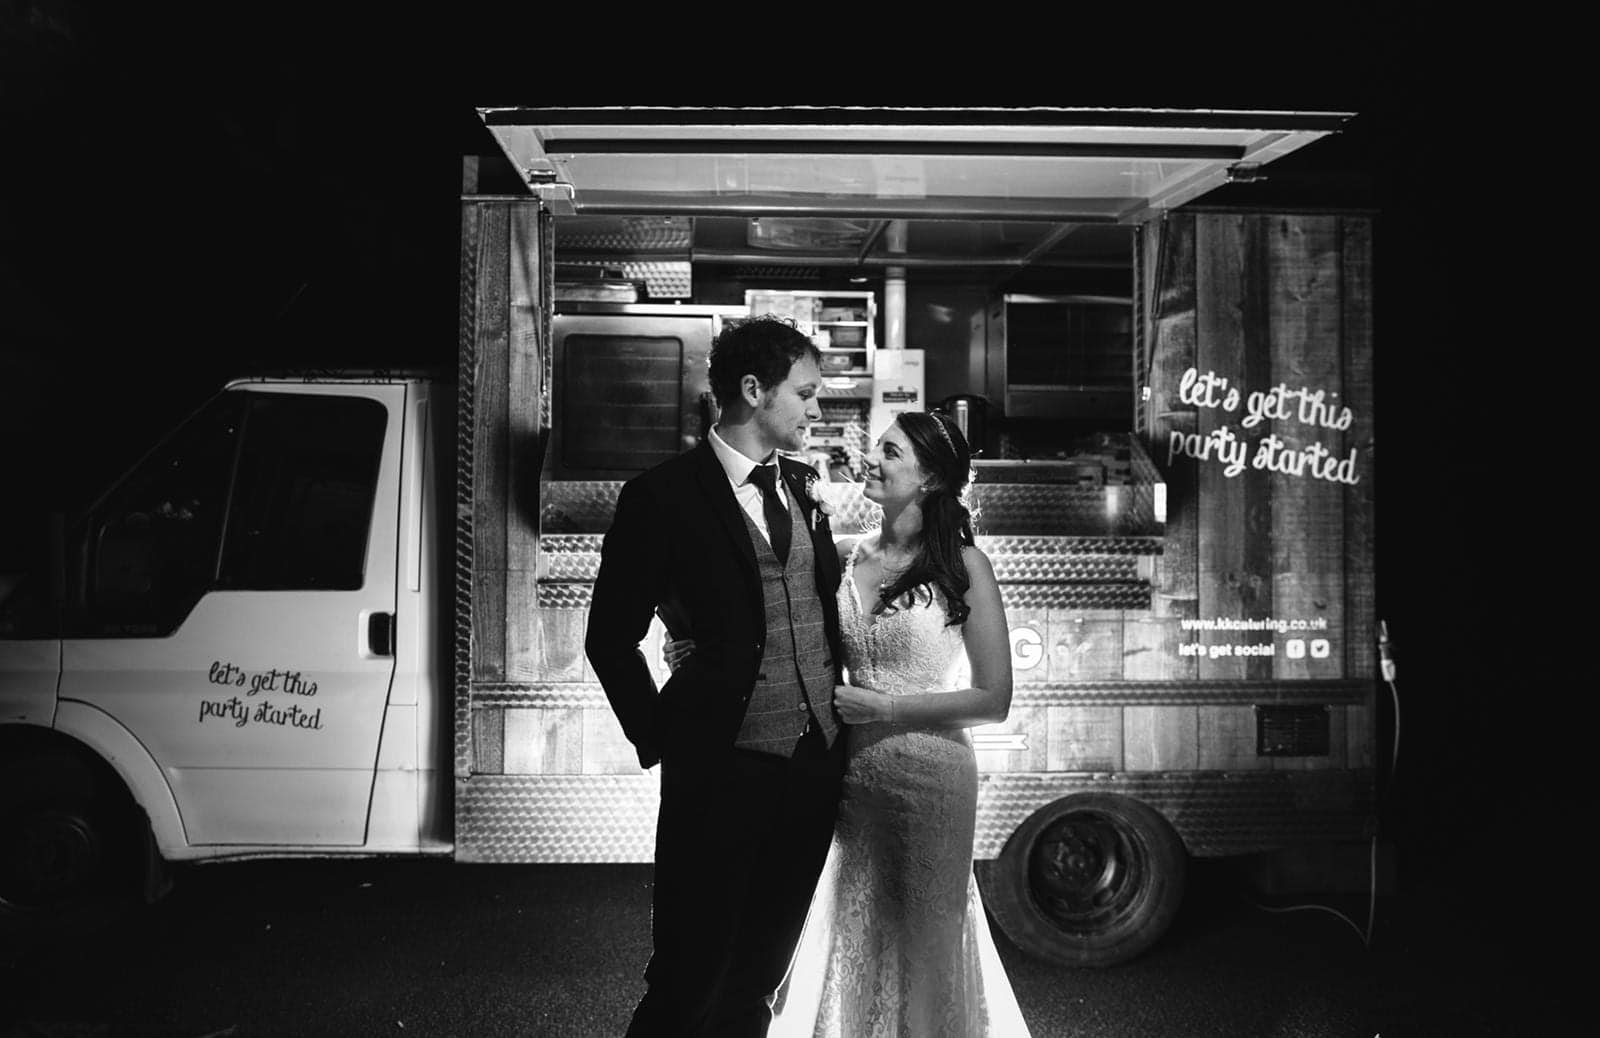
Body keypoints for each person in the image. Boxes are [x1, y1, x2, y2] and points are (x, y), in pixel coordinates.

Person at [669, 409, 1033, 1037]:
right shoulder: (842, 554)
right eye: (878, 446)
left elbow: (993, 697)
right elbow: (776, 629)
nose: (872, 457)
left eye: (891, 452)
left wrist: (887, 708)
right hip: (851, 774)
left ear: (929, 480)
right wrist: (700, 653)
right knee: (855, 930)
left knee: (925, 940)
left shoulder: (966, 566)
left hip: (933, 777)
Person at [585, 315, 848, 1037]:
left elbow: (815, 608)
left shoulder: (803, 486)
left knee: (761, 972)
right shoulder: (660, 497)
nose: (815, 410)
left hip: (813, 764)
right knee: (689, 971)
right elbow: (610, 638)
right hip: (721, 766)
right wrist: (662, 732)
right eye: (806, 393)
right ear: (753, 390)